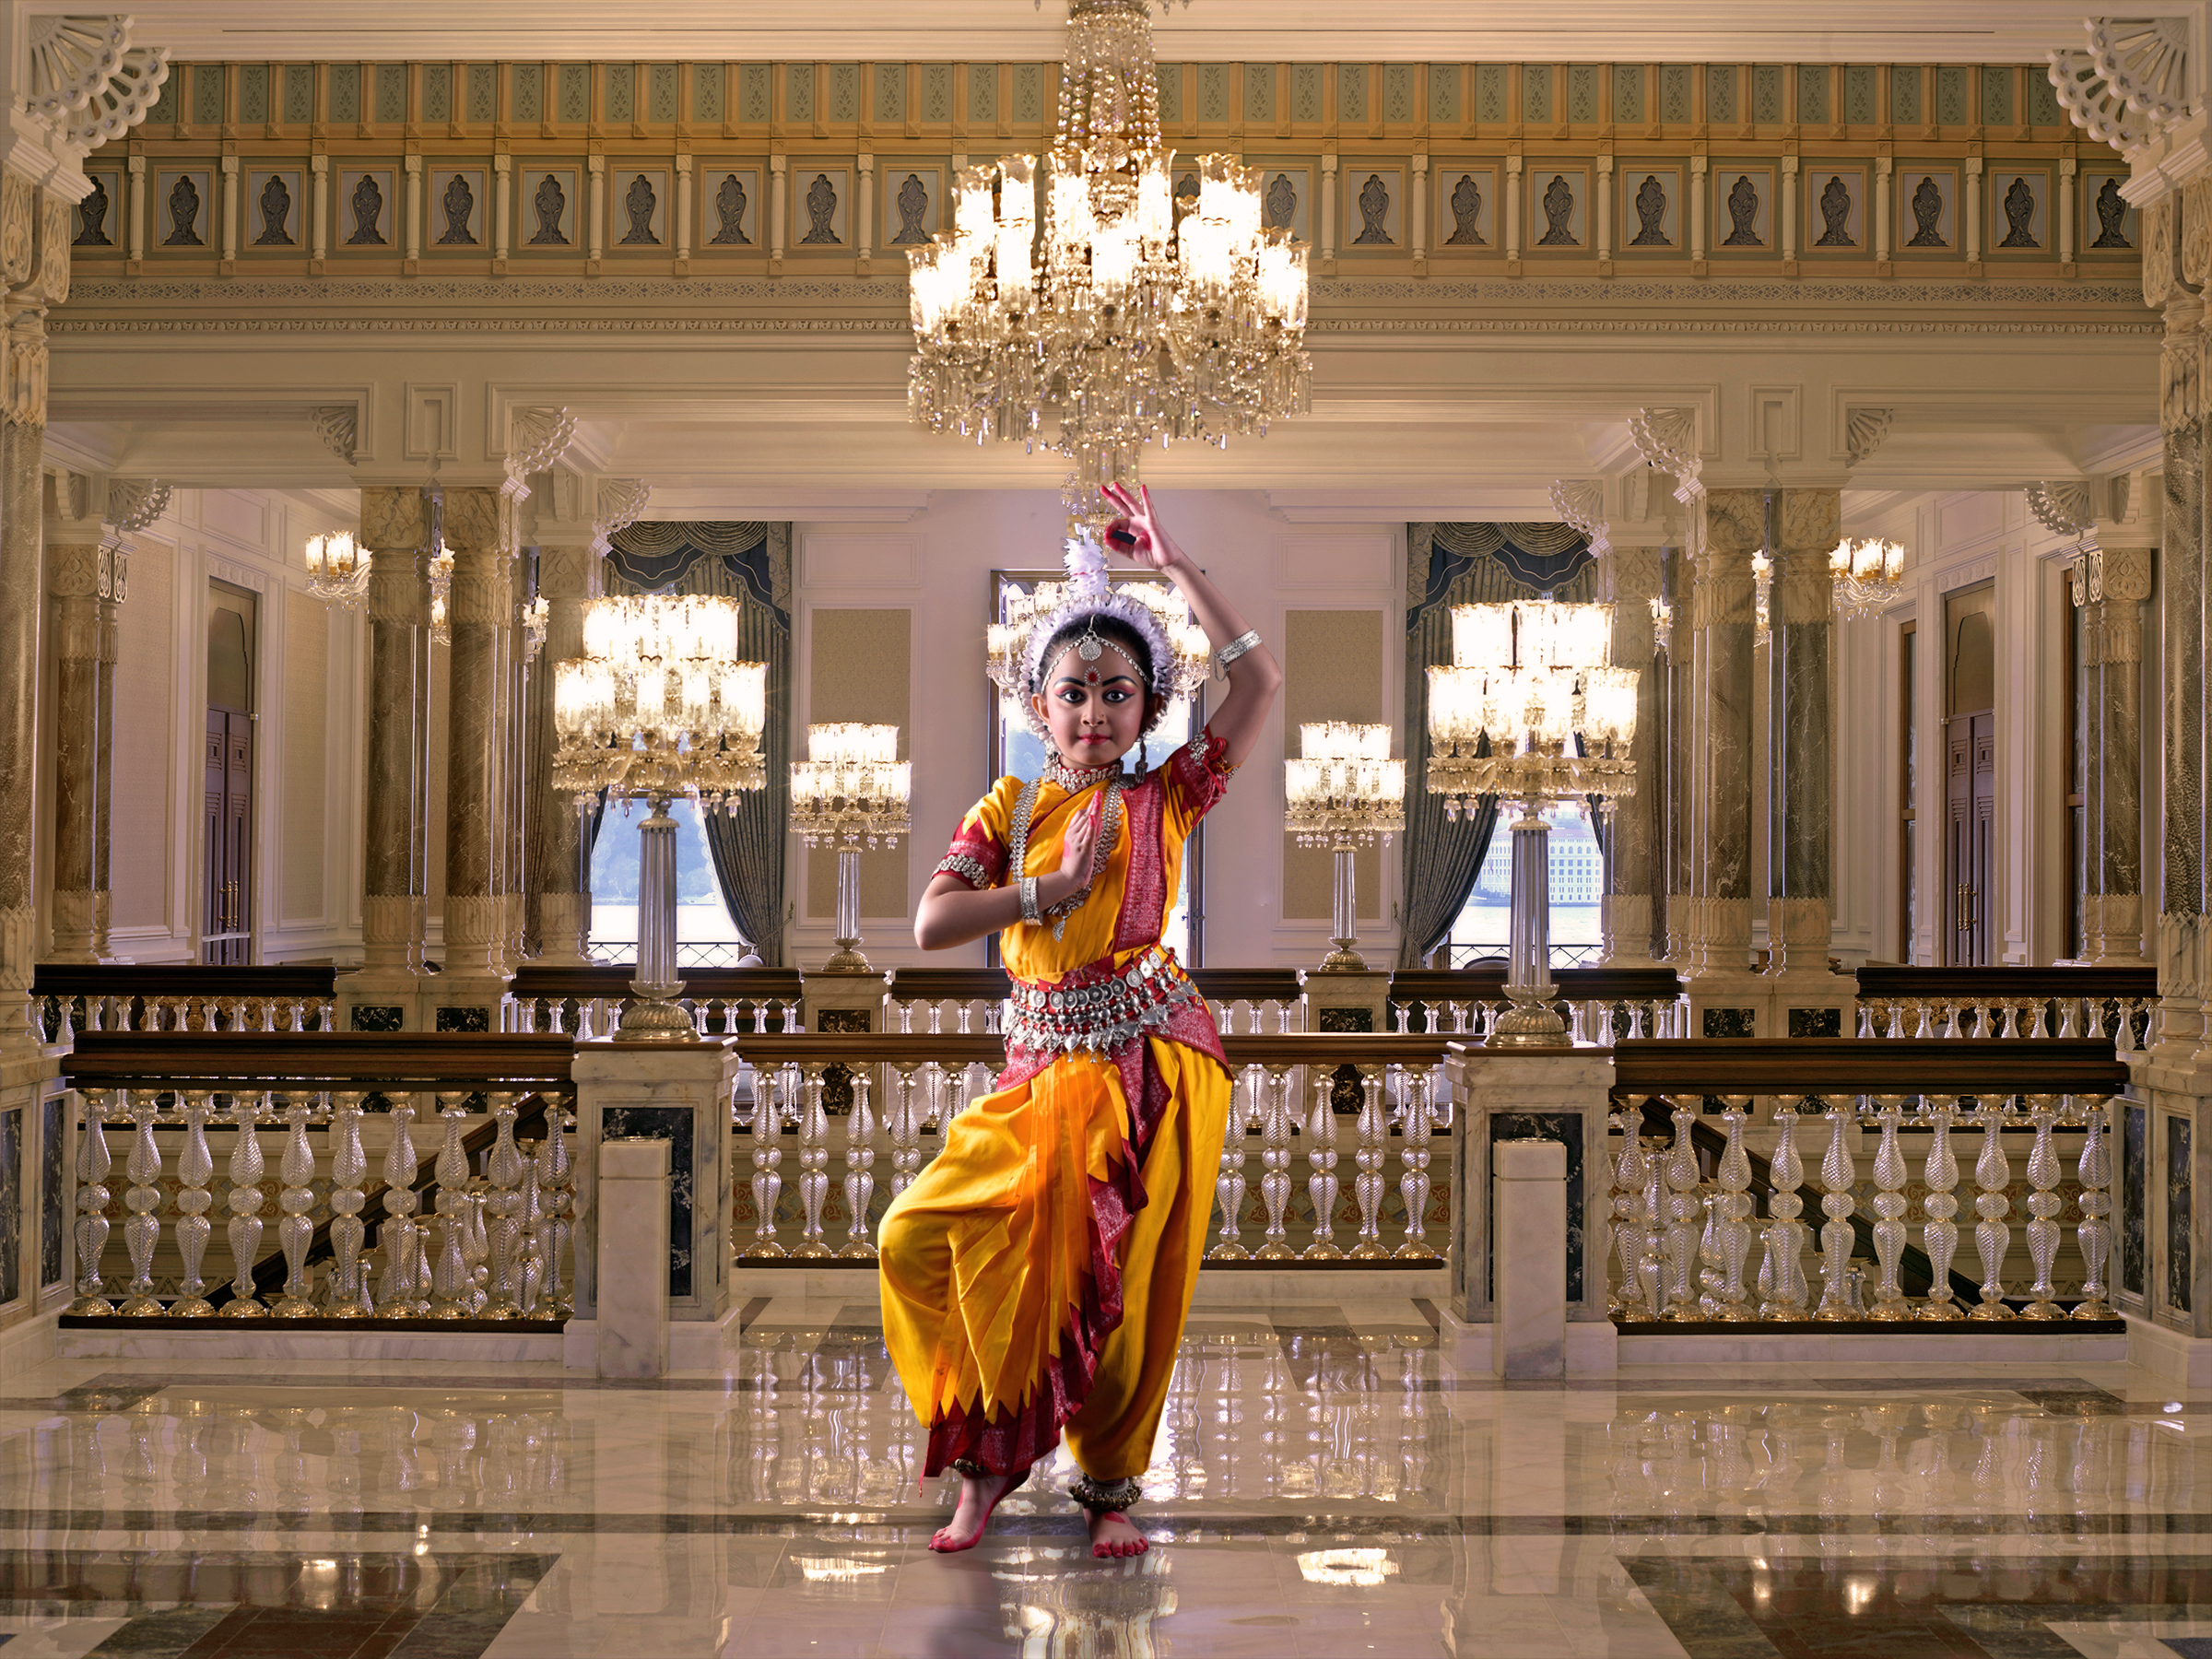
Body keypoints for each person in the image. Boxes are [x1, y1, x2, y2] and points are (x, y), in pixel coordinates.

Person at [879, 484, 1282, 1559]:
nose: (1095, 712)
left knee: (1130, 1286)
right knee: (921, 1238)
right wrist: (1046, 893)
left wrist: (1175, 559)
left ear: (1150, 708)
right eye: (1074, 692)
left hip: (1154, 1058)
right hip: (1040, 1069)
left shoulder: (1174, 794)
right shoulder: (1008, 813)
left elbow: (1262, 680)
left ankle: (1109, 1489)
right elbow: (930, 924)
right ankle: (983, 1461)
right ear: (1038, 703)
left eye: (1117, 693)